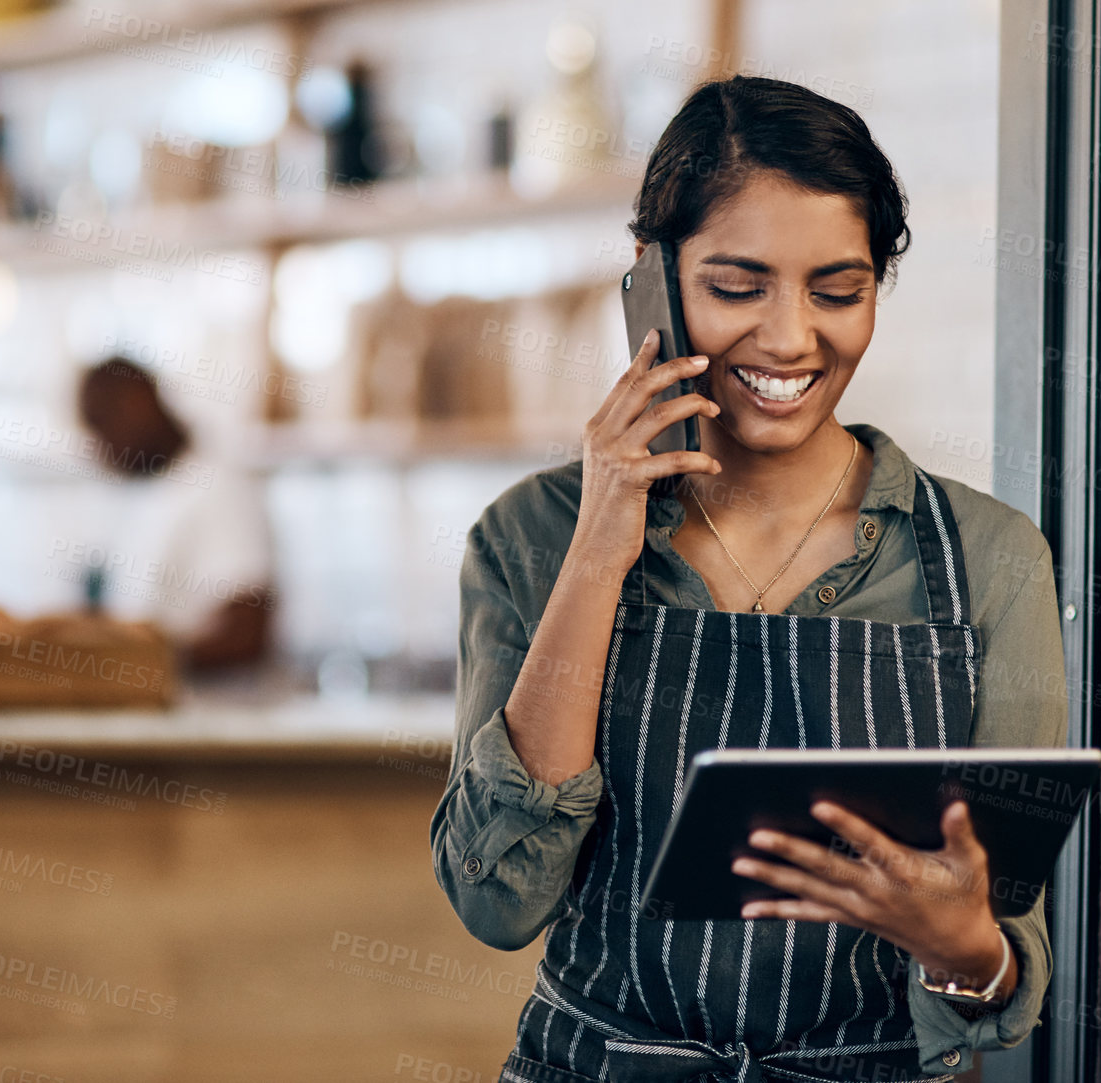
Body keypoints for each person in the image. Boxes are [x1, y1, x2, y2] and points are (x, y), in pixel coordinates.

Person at [429, 75, 1068, 1081]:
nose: (789, 339)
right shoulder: (531, 536)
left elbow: (1002, 986)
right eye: (736, 288)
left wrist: (961, 947)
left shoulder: (989, 561)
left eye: (837, 290)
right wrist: (600, 548)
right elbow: (497, 898)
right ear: (653, 280)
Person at [75, 357, 276, 671]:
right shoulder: (143, 494)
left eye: (101, 427)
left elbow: (246, 628)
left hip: (207, 710)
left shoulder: (217, 485)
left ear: (136, 405)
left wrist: (142, 663)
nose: (99, 448)